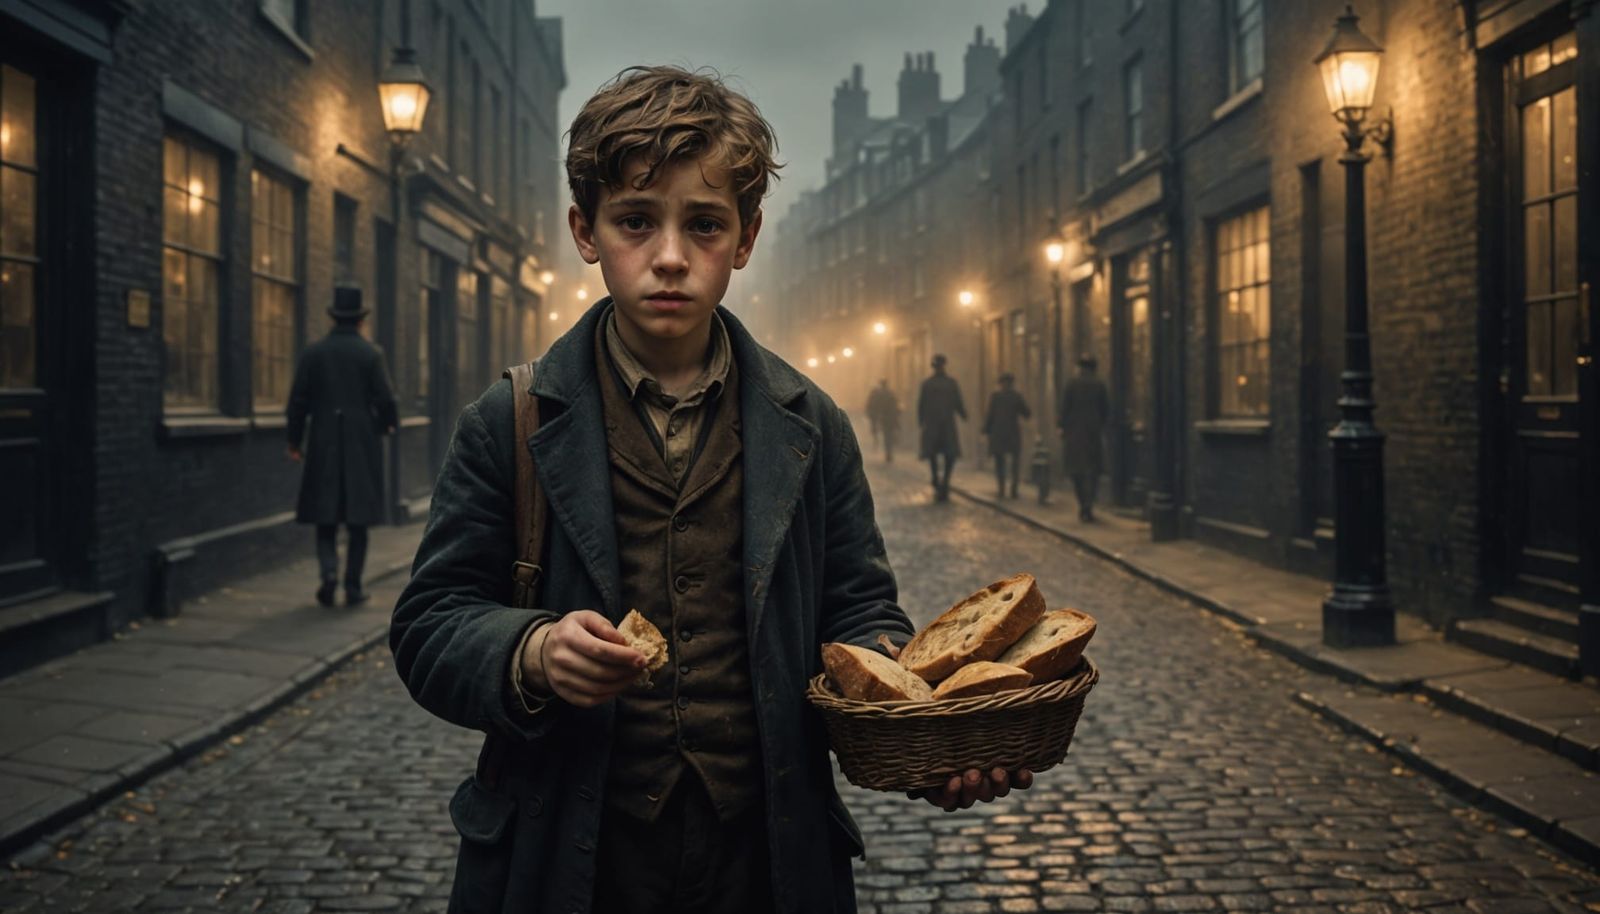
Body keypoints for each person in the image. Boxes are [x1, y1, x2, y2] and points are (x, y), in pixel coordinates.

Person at [389, 66, 1031, 914]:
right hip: (574, 860)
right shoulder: (507, 421)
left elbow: (859, 613)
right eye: (635, 221)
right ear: (586, 230)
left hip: (765, 861)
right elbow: (429, 624)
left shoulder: (815, 425)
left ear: (746, 237)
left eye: (703, 224)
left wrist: (924, 732)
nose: (669, 257)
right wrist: (531, 651)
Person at [285, 285, 398, 607]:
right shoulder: (371, 354)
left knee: (326, 518)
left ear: (334, 318)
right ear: (360, 320)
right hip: (361, 445)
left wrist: (294, 440)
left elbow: (297, 402)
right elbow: (386, 399)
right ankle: (353, 586)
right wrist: (384, 426)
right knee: (358, 523)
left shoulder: (313, 353)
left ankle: (329, 573)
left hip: (323, 443)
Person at [1058, 353, 1110, 522]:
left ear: (1080, 368)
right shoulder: (1099, 385)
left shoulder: (1071, 384)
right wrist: (1101, 426)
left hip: (1075, 434)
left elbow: (1064, 408)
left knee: (1077, 471)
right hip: (1093, 433)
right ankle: (1089, 504)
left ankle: (1083, 504)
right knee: (1093, 471)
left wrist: (1062, 427)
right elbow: (1105, 410)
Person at [916, 353, 967, 502]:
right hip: (945, 425)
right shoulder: (949, 383)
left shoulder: (929, 384)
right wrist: (963, 414)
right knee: (947, 454)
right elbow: (958, 402)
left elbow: (921, 405)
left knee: (937, 454)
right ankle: (942, 480)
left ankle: (940, 480)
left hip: (935, 425)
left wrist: (921, 421)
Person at [982, 372, 1031, 499]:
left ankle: (1002, 490)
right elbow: (1026, 413)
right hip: (1012, 434)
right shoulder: (1016, 396)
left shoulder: (995, 397)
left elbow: (990, 415)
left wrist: (985, 430)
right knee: (1014, 463)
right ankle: (1013, 490)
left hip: (998, 434)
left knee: (1000, 463)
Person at [864, 378, 900, 464]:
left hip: (885, 418)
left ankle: (888, 452)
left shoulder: (879, 395)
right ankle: (889, 452)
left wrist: (877, 415)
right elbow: (896, 405)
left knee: (886, 435)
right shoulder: (891, 393)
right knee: (889, 435)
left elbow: (876, 406)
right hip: (891, 418)